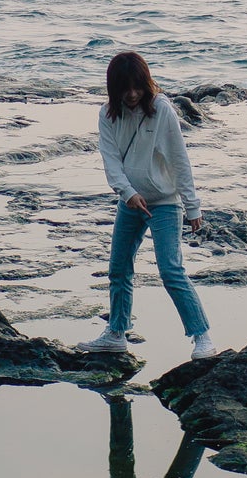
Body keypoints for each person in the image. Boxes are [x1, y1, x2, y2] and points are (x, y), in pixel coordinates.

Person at [82, 49, 220, 361]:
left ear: (146, 84)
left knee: (171, 270)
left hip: (165, 202)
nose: (132, 95)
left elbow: (179, 160)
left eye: (137, 87)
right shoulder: (107, 114)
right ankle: (116, 333)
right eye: (125, 88)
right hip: (130, 202)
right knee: (118, 269)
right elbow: (110, 161)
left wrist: (193, 206)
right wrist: (127, 192)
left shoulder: (162, 110)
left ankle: (202, 337)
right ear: (114, 88)